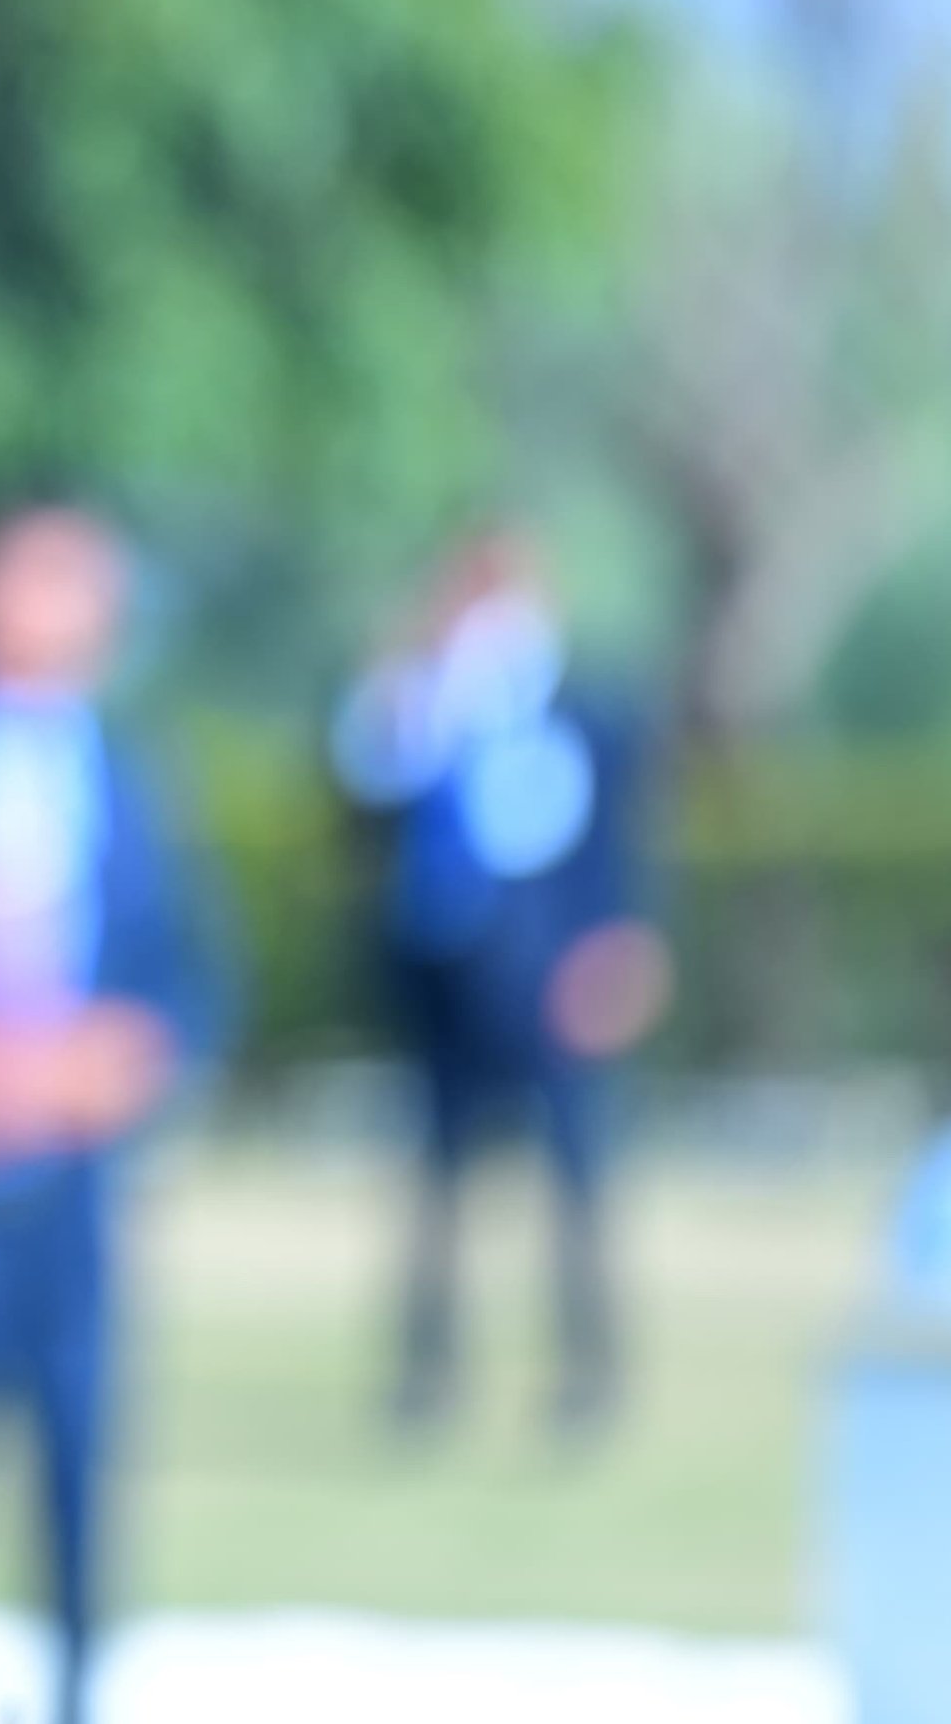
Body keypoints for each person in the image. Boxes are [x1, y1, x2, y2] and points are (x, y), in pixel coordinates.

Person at [0, 506, 229, 1710]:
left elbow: (191, 979)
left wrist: (130, 1057)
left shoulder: (135, 776)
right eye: (45, 576)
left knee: (80, 1465)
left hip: (72, 1192)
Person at [331, 529, 667, 1438]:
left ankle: (587, 1374)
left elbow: (622, 850)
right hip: (442, 976)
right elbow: (364, 819)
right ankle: (426, 1376)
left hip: (555, 981)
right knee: (437, 1185)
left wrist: (622, 952)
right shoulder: (417, 709)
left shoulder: (582, 710)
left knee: (575, 1182)